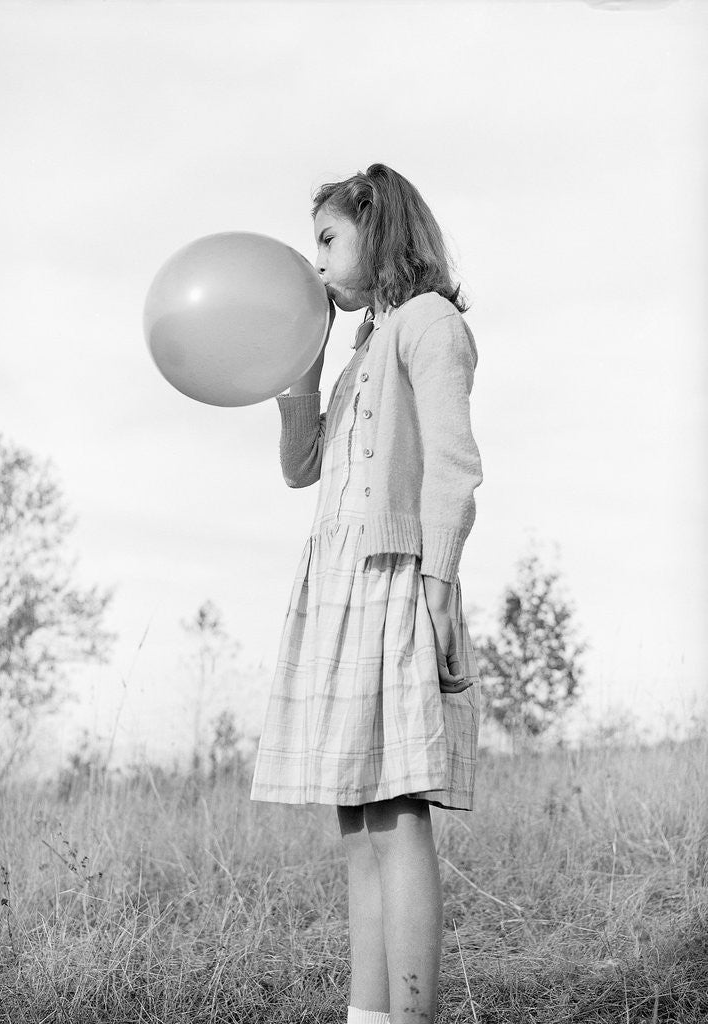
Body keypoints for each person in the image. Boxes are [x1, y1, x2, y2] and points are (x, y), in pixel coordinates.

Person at [250, 163, 483, 1024]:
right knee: (354, 817)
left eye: (327, 239)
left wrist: (437, 586)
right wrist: (300, 368)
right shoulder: (357, 349)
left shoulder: (427, 323)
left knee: (396, 814)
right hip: (339, 585)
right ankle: (368, 1015)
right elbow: (299, 466)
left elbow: (452, 467)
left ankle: (411, 1016)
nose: (312, 260)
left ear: (377, 229)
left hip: (395, 577)